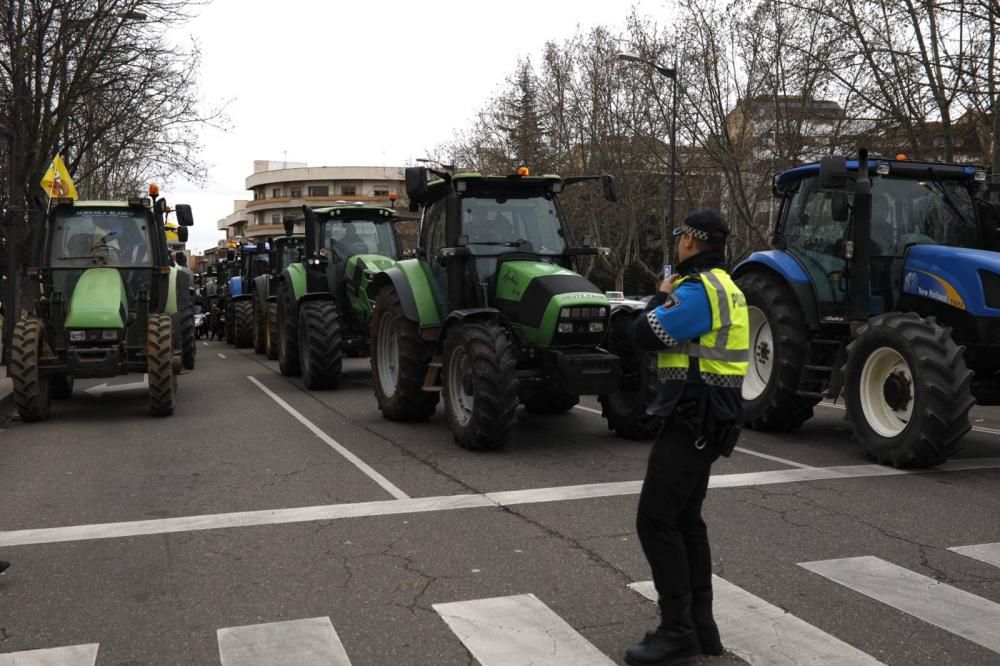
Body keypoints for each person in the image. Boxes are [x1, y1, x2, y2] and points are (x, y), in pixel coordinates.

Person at [625, 209, 749, 665]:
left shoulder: (699, 292)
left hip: (693, 417)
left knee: (655, 519)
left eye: (680, 238)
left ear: (692, 242)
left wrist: (659, 298)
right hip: (708, 416)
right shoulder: (728, 287)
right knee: (685, 521)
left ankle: (677, 632)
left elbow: (646, 333)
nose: (676, 244)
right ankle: (701, 628)